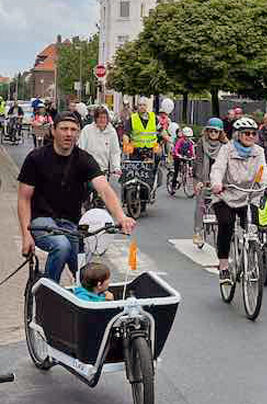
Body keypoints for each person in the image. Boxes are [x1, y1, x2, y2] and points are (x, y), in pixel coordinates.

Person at [17, 112, 136, 283]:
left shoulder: (84, 160)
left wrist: (121, 217)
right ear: (53, 130)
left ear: (78, 133)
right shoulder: (36, 158)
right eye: (64, 129)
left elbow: (104, 189)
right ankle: (48, 292)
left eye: (73, 130)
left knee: (87, 278)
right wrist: (26, 236)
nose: (69, 134)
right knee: (61, 246)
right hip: (41, 221)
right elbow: (24, 198)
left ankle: (85, 304)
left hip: (71, 224)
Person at [210, 117, 267, 284]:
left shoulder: (259, 151)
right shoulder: (226, 150)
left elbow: (262, 171)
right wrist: (216, 183)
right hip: (226, 194)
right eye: (246, 133)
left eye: (253, 133)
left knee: (253, 226)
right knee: (226, 224)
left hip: (248, 196)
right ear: (237, 135)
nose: (250, 136)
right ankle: (223, 267)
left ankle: (250, 254)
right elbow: (218, 168)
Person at [192, 117, 228, 246]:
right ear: (207, 131)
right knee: (201, 204)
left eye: (216, 131)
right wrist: (200, 181)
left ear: (220, 133)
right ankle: (198, 232)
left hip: (219, 178)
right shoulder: (202, 143)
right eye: (211, 131)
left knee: (221, 205)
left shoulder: (225, 146)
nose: (213, 133)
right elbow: (199, 162)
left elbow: (226, 165)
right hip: (203, 177)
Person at [78, 106, 122, 176]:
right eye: (99, 117)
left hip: (103, 171)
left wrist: (116, 167)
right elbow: (81, 149)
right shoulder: (87, 130)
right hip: (88, 170)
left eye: (104, 118)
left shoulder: (112, 132)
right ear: (95, 119)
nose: (102, 120)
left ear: (108, 119)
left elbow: (115, 152)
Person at [122, 97, 160, 161]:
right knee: (136, 169)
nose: (142, 107)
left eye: (144, 105)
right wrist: (126, 148)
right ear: (137, 106)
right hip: (136, 151)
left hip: (151, 150)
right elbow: (126, 134)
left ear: (147, 106)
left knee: (152, 169)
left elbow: (161, 130)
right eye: (140, 105)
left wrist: (168, 140)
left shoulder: (153, 117)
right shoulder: (132, 118)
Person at [171, 126, 195, 190]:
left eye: (189, 137)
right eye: (187, 137)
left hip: (184, 156)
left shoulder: (189, 142)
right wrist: (177, 154)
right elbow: (176, 148)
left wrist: (193, 156)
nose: (188, 138)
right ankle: (173, 185)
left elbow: (191, 150)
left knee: (188, 160)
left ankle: (186, 172)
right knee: (176, 171)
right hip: (177, 156)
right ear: (184, 136)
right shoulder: (180, 141)